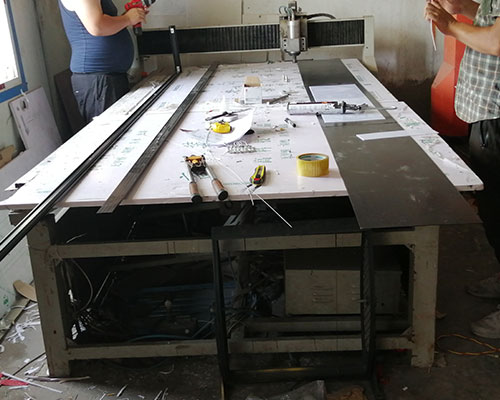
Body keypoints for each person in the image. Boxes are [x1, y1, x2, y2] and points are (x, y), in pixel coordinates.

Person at [425, 0, 500, 338]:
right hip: (487, 113)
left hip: (497, 115)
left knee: (499, 210)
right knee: (492, 208)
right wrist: (463, 7)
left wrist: (450, 25)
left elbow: (496, 41)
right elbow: (491, 18)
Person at [58, 0, 147, 124]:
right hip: (98, 80)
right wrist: (127, 18)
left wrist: (128, 17)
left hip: (106, 78)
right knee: (110, 132)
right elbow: (97, 27)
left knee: (120, 130)